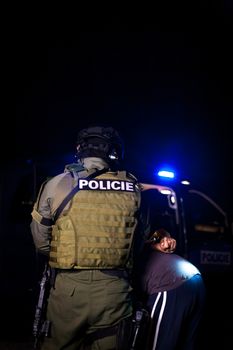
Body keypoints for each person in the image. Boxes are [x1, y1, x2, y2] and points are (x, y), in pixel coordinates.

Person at [30, 125, 144, 350]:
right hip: (115, 291)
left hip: (68, 291)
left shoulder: (56, 184)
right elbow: (136, 241)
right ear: (115, 152)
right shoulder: (133, 188)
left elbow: (41, 241)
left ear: (79, 150)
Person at [133, 228, 206, 350]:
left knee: (157, 345)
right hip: (196, 280)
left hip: (171, 283)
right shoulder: (154, 249)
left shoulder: (139, 252)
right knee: (187, 343)